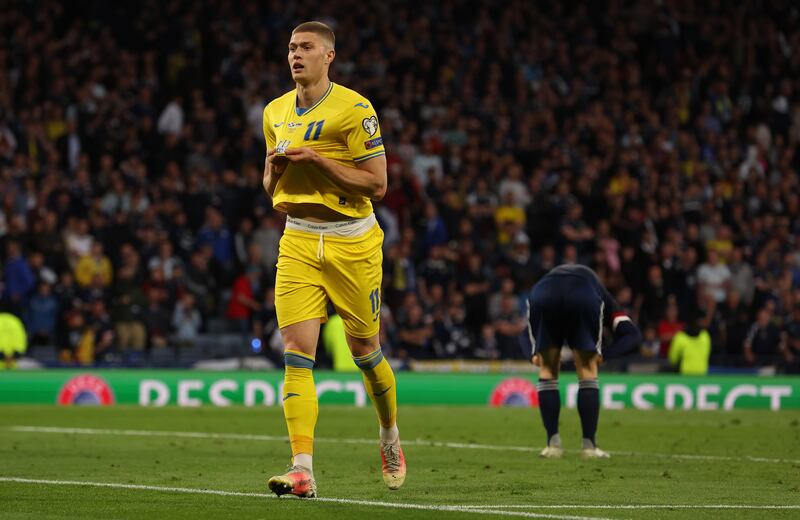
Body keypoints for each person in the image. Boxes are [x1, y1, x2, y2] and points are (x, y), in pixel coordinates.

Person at [262, 21, 403, 498]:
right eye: (291, 48)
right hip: (298, 240)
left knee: (365, 351)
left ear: (329, 56)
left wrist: (319, 161)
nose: (295, 55)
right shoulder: (274, 112)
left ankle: (388, 433)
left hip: (351, 242)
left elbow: (378, 185)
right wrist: (275, 171)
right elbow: (269, 187)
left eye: (306, 48)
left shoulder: (355, 109)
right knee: (297, 355)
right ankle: (303, 468)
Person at [527, 264, 641, 459]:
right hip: (582, 294)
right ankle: (589, 447)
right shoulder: (606, 300)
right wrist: (605, 354)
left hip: (542, 293)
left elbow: (524, 333)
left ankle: (552, 445)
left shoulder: (550, 281)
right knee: (587, 369)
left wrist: (532, 353)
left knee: (547, 369)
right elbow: (633, 336)